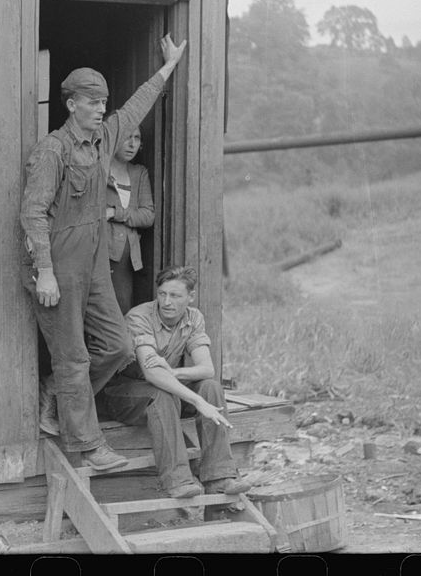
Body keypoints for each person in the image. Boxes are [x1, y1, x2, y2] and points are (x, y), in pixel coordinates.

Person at [20, 34, 187, 471]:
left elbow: (136, 107)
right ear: (71, 104)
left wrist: (168, 67)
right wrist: (45, 272)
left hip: (93, 266)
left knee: (116, 347)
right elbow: (33, 213)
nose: (100, 108)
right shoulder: (52, 151)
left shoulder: (104, 140)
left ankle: (55, 391)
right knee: (73, 355)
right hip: (57, 266)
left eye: (103, 101)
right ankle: (89, 447)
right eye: (92, 102)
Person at [95, 265, 253, 498]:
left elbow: (206, 369)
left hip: (166, 387)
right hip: (123, 394)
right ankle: (178, 480)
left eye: (175, 296)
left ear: (190, 297)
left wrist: (173, 373)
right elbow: (151, 375)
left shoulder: (193, 317)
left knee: (211, 387)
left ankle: (219, 476)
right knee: (161, 394)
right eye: (162, 294)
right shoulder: (139, 317)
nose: (167, 302)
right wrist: (197, 401)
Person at [106, 128, 154, 314]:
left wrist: (114, 213)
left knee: (122, 308)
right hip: (100, 250)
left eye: (137, 138)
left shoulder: (139, 173)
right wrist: (130, 214)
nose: (132, 144)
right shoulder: (99, 170)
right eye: (127, 137)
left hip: (126, 259)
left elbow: (148, 216)